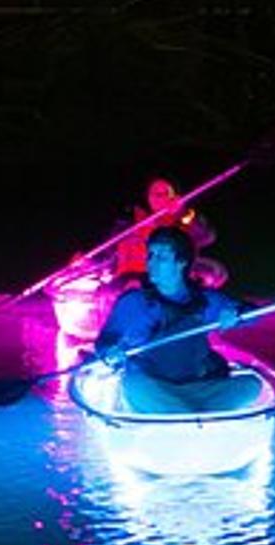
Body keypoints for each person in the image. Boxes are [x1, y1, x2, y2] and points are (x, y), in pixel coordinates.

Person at [94, 225, 254, 413]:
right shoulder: (134, 302)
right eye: (150, 256)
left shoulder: (207, 300)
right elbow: (104, 341)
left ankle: (183, 412)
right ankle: (194, 415)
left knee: (251, 385)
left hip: (197, 385)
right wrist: (109, 351)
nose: (151, 264)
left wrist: (238, 313)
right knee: (135, 387)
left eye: (161, 258)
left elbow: (254, 316)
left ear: (182, 262)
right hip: (153, 386)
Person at [112, 177, 220, 280]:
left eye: (166, 193)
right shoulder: (133, 219)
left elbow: (207, 236)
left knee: (214, 271)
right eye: (155, 193)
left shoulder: (184, 217)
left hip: (169, 279)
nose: (160, 197)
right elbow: (112, 245)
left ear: (174, 196)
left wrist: (180, 212)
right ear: (148, 196)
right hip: (132, 280)